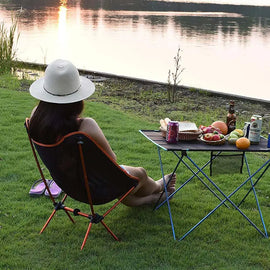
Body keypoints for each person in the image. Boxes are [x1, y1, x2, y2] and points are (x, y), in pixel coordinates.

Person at [28, 59, 176, 206]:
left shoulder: (36, 119)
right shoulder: (86, 126)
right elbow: (112, 160)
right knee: (140, 174)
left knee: (124, 178)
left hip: (69, 186)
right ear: (77, 97)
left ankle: (147, 200)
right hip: (98, 191)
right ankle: (158, 187)